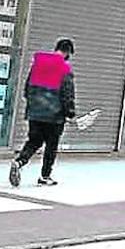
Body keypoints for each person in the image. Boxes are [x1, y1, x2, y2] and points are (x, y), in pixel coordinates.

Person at [9, 38, 76, 187]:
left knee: (34, 141)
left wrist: (33, 105)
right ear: (67, 52)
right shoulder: (64, 67)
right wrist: (70, 112)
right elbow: (67, 93)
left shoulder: (38, 64)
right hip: (54, 116)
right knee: (51, 145)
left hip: (35, 113)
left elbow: (27, 89)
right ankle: (45, 176)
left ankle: (19, 162)